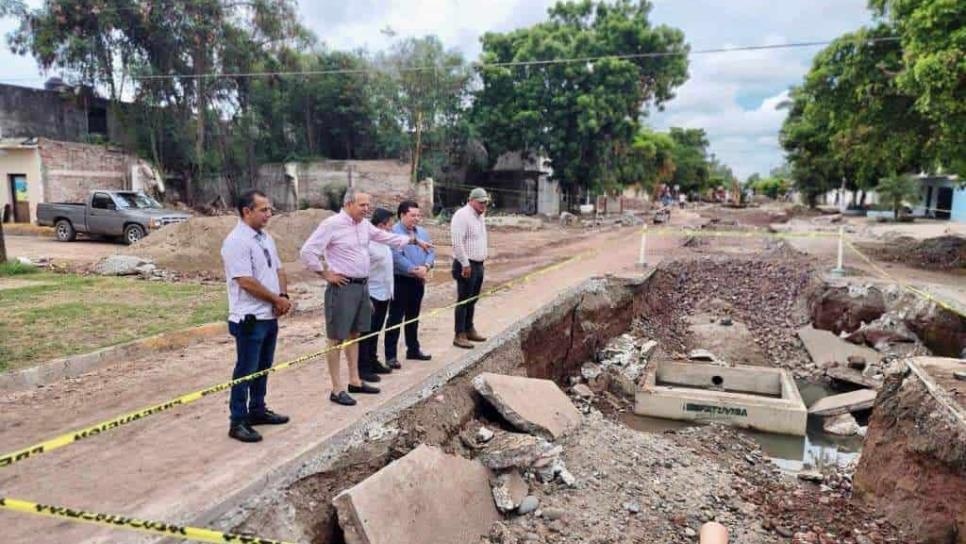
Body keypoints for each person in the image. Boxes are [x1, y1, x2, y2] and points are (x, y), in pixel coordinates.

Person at [300, 189, 432, 406]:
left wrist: (415, 242)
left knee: (356, 334)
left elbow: (385, 237)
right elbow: (308, 251)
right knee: (336, 338)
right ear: (349, 203)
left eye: (368, 205)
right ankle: (336, 388)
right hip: (343, 287)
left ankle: (355, 380)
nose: (367, 209)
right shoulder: (331, 224)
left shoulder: (363, 225)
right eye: (362, 205)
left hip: (362, 286)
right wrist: (325, 274)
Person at [220, 189, 293, 443]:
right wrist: (275, 299)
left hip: (269, 315)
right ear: (246, 211)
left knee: (263, 367)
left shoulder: (265, 238)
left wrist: (283, 296)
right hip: (249, 317)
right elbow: (245, 281)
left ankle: (257, 409)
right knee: (246, 369)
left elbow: (279, 268)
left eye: (269, 209)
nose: (268, 214)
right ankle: (237, 420)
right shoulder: (236, 241)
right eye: (263, 210)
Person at [385, 200, 435, 367]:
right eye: (412, 215)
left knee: (413, 317)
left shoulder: (422, 233)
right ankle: (390, 355)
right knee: (395, 318)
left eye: (418, 215)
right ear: (402, 215)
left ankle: (413, 349)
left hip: (419, 280)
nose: (416, 219)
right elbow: (395, 257)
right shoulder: (394, 233)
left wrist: (426, 266)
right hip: (401, 280)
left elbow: (431, 252)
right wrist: (414, 269)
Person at [358, 207, 396, 381]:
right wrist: (365, 297)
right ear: (381, 225)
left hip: (384, 293)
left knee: (376, 331)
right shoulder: (368, 244)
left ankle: (373, 361)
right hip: (372, 293)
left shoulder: (384, 242)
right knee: (366, 333)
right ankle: (363, 368)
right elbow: (363, 271)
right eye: (390, 223)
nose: (392, 226)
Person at [451, 187, 490, 349]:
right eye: (480, 202)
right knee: (464, 299)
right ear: (471, 200)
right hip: (466, 264)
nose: (483, 205)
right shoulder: (462, 216)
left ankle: (469, 328)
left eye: (485, 202)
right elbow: (457, 243)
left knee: (473, 299)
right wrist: (465, 264)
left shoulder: (479, 216)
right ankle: (459, 334)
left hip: (478, 264)